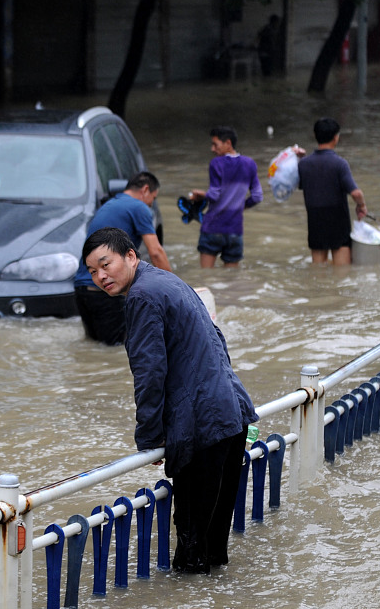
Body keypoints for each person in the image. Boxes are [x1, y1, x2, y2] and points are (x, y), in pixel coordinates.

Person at [82, 227, 258, 574]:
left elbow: (149, 373)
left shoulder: (141, 297)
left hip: (203, 430)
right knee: (213, 550)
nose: (100, 276)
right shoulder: (167, 280)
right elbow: (217, 339)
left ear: (130, 256)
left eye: (106, 264)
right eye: (92, 271)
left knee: (192, 557)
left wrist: (149, 438)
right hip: (229, 418)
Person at [73, 171, 172, 345]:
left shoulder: (109, 205)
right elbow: (156, 251)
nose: (151, 204)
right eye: (153, 198)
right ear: (146, 190)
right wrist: (173, 288)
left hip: (83, 289)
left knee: (95, 348)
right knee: (117, 349)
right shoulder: (139, 207)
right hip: (105, 292)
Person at [186, 126, 261, 268]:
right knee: (231, 281)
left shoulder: (216, 163)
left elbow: (214, 195)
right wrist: (240, 206)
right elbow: (257, 196)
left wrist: (200, 196)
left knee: (206, 277)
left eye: (215, 144)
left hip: (213, 227)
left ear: (228, 143)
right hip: (235, 230)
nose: (212, 149)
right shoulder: (250, 164)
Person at [296, 117, 367, 265]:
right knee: (342, 272)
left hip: (315, 221)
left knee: (318, 269)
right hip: (338, 221)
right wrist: (361, 205)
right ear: (336, 138)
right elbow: (356, 193)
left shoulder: (303, 164)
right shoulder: (340, 164)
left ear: (315, 136)